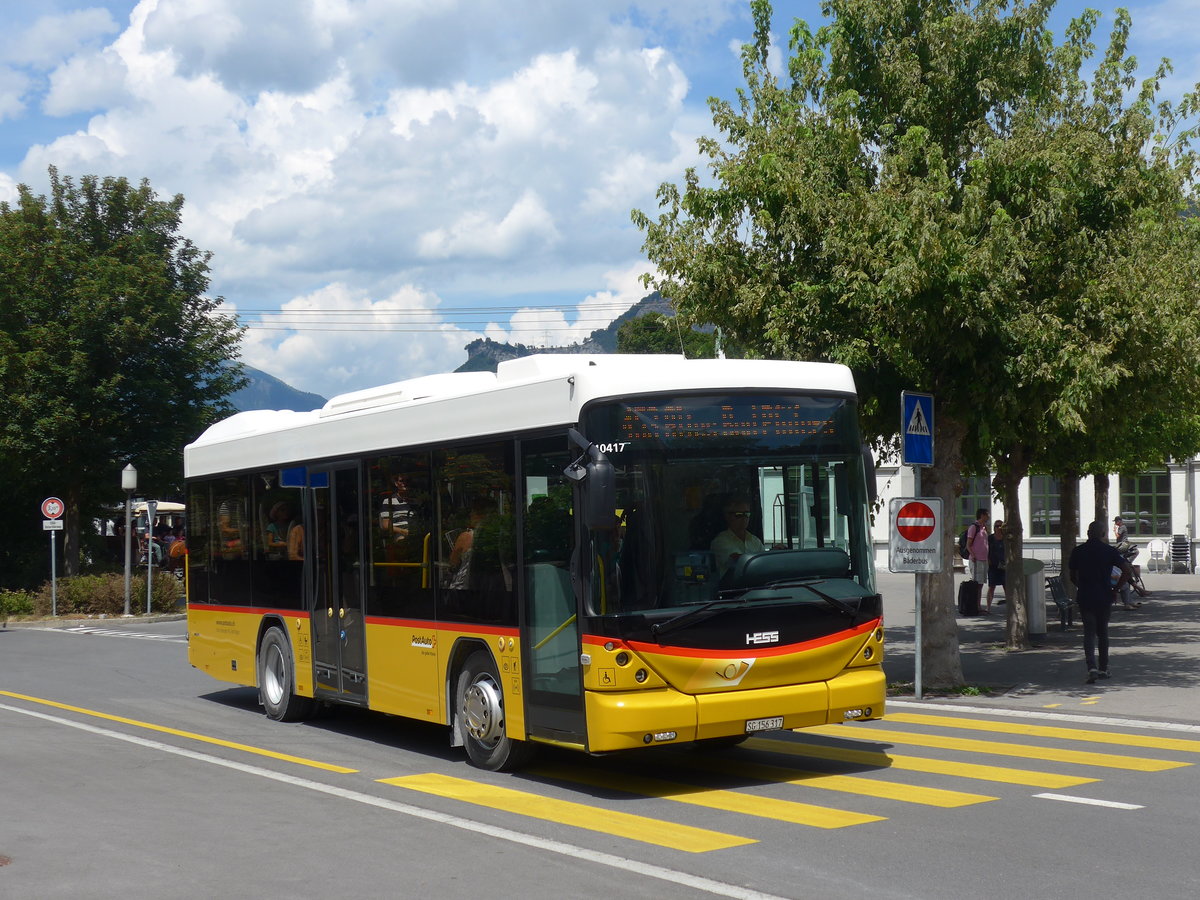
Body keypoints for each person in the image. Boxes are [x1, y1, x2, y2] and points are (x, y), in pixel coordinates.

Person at [1069, 520, 1134, 684]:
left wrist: (1081, 586)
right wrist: (1116, 589)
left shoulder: (1078, 551)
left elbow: (1072, 575)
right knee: (1103, 632)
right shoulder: (1109, 551)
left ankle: (1091, 667)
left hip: (1085, 596)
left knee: (1089, 632)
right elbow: (1126, 570)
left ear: (1087, 533)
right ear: (1103, 534)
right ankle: (1103, 668)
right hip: (1104, 595)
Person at [710, 497, 765, 575]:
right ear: (728, 516)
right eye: (739, 515)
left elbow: (764, 562)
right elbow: (738, 561)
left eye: (747, 514)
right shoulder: (720, 541)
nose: (744, 518)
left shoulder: (755, 540)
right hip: (732, 583)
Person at [985, 519, 1005, 615]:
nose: (999, 528)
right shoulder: (990, 538)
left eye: (1000, 526)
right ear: (994, 528)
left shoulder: (1006, 538)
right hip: (993, 565)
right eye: (997, 526)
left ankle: (1010, 607)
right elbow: (986, 550)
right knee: (991, 587)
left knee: (1006, 587)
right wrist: (988, 560)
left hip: (1004, 566)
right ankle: (988, 607)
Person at [967, 508, 990, 588]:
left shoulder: (984, 528)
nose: (989, 517)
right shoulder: (974, 527)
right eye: (987, 515)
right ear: (982, 515)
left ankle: (978, 597)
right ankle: (975, 596)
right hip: (976, 560)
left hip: (984, 559)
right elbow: (968, 544)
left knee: (981, 583)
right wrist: (973, 555)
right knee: (977, 583)